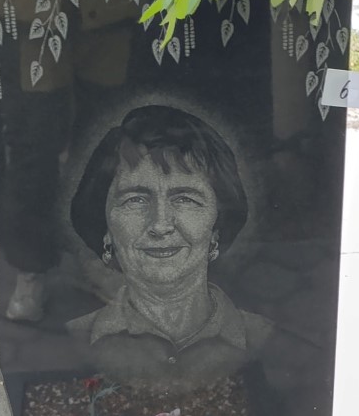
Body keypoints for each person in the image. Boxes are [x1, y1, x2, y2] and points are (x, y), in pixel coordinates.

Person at [64, 105, 269, 386]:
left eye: (185, 199)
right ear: (106, 229)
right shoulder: (75, 339)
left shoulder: (262, 337)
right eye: (135, 199)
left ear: (216, 227)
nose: (160, 225)